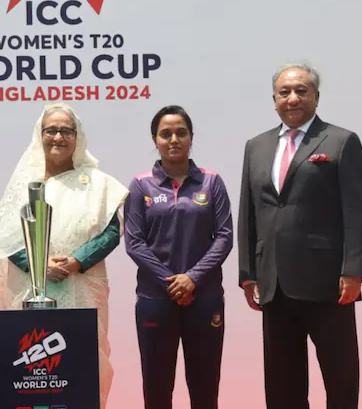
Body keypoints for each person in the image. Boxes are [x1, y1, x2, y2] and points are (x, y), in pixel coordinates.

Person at [0, 102, 128, 409]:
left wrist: (77, 261)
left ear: (78, 137)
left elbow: (112, 232)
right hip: (27, 289)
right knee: (30, 372)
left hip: (82, 288)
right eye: (51, 130)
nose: (57, 137)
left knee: (82, 368)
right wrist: (38, 264)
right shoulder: (23, 185)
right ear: (40, 135)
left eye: (65, 130)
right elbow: (4, 238)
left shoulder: (98, 184)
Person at [238, 62, 362, 409]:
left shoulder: (341, 141)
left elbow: (356, 211)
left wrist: (354, 270)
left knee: (340, 378)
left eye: (301, 91)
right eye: (284, 92)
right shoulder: (256, 146)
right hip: (274, 284)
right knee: (282, 384)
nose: (292, 98)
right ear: (274, 100)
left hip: (329, 284)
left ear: (316, 97)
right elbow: (249, 212)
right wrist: (248, 275)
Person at [123, 105, 233, 409]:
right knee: (157, 389)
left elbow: (224, 238)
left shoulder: (212, 182)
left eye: (181, 133)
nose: (174, 139)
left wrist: (192, 279)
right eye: (166, 133)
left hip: (205, 297)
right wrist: (171, 282)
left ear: (191, 137)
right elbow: (134, 242)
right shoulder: (141, 184)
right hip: (155, 300)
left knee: (205, 387)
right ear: (155, 140)